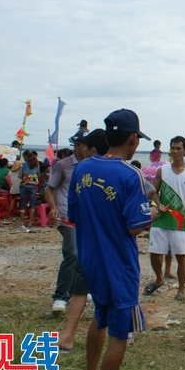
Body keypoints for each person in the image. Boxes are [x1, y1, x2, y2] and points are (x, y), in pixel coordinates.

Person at [67, 109, 155, 370]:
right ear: (132, 139)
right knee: (120, 331)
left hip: (91, 259)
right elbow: (135, 226)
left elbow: (75, 214)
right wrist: (153, 212)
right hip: (119, 265)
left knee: (100, 315)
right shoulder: (132, 176)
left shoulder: (82, 169)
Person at [56, 129, 109, 352]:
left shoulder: (81, 171)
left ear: (93, 149)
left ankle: (67, 336)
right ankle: (124, 333)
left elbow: (73, 212)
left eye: (84, 146)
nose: (80, 149)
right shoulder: (124, 172)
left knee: (80, 288)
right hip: (111, 245)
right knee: (118, 290)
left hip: (86, 240)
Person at [145, 136, 185, 300]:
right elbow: (153, 191)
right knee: (155, 253)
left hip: (181, 220)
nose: (175, 151)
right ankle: (159, 278)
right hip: (162, 217)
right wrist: (157, 204)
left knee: (181, 256)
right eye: (173, 148)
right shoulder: (162, 170)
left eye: (178, 148)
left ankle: (181, 290)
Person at [46, 129, 96, 313]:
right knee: (73, 253)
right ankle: (60, 296)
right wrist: (53, 207)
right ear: (77, 146)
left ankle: (80, 289)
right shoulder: (63, 165)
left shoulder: (93, 165)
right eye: (86, 145)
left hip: (87, 218)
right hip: (67, 217)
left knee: (86, 255)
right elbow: (49, 189)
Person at [18, 151, 41, 228]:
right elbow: (38, 176)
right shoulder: (36, 165)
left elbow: (19, 176)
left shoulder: (22, 165)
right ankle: (31, 222)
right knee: (32, 204)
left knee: (22, 203)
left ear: (26, 157)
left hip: (24, 186)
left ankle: (22, 222)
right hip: (33, 186)